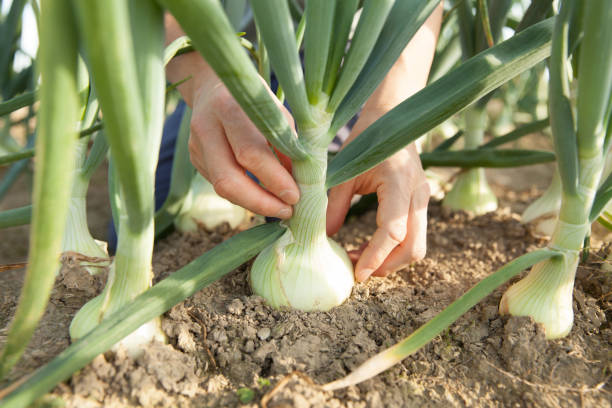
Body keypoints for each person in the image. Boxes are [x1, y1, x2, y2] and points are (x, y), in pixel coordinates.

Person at [163, 5, 443, 283]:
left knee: (355, 195)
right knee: (156, 210)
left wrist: (390, 113)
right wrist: (206, 79)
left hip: (353, 73)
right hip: (230, 54)